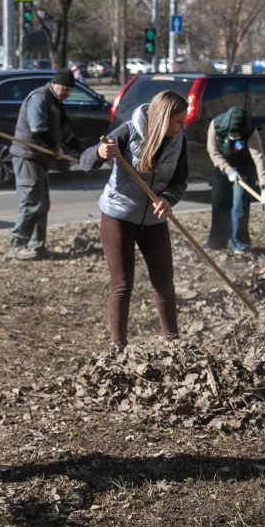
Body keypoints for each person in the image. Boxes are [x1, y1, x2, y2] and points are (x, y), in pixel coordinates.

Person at [78, 90, 189, 350]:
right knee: (122, 283)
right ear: (163, 119)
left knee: (163, 282)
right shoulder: (128, 131)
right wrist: (100, 153)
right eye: (178, 121)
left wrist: (167, 200)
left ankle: (172, 343)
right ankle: (118, 347)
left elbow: (179, 182)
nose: (182, 127)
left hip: (154, 220)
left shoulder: (179, 141)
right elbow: (85, 162)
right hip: (118, 216)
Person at [7, 68, 79, 260]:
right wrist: (55, 148)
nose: (68, 93)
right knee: (31, 203)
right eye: (66, 89)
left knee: (42, 204)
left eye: (70, 90)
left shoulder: (55, 102)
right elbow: (38, 130)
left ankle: (37, 246)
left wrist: (82, 150)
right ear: (57, 84)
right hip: (27, 156)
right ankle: (17, 246)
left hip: (40, 159)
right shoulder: (40, 98)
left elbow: (63, 132)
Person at [205, 104, 265, 258]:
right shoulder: (216, 125)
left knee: (239, 207)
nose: (235, 135)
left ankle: (240, 244)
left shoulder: (250, 131)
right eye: (233, 133)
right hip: (222, 167)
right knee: (219, 205)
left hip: (244, 167)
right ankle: (217, 242)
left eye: (238, 133)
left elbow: (259, 158)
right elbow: (213, 152)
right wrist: (228, 170)